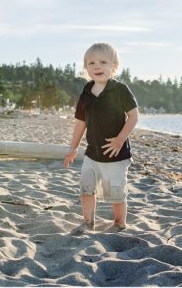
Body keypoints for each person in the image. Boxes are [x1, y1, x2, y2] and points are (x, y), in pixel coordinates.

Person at [64, 42, 139, 233]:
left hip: (116, 154)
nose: (97, 66)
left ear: (114, 66)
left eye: (103, 62)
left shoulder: (120, 89)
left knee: (116, 192)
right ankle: (88, 222)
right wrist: (73, 148)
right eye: (91, 63)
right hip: (92, 154)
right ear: (86, 68)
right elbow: (81, 122)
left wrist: (120, 139)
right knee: (86, 189)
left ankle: (119, 223)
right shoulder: (86, 93)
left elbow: (133, 116)